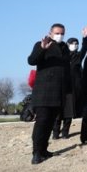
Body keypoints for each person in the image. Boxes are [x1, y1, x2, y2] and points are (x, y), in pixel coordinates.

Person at [28, 23, 70, 164]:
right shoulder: (41, 44)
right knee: (42, 122)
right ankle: (36, 153)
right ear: (50, 33)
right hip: (44, 92)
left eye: (62, 33)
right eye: (57, 33)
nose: (60, 35)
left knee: (51, 122)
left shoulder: (64, 48)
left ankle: (44, 150)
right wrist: (41, 49)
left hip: (58, 92)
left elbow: (66, 70)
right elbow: (31, 60)